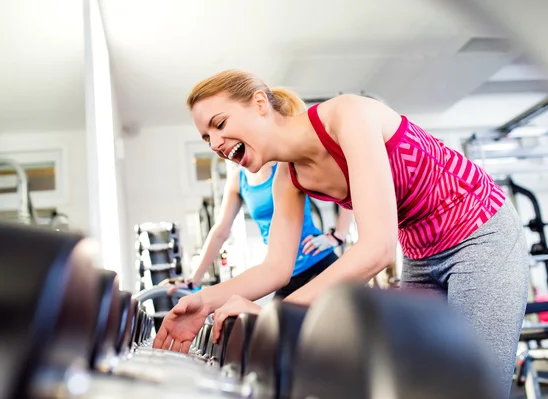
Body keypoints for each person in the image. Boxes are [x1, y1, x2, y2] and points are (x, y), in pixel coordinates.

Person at [153, 69, 528, 398]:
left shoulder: (346, 115)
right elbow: (276, 268)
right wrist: (206, 301)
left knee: (477, 389)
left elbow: (377, 249)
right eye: (205, 138)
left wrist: (274, 315)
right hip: (421, 251)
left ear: (259, 104)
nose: (215, 144)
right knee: (416, 382)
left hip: (481, 232)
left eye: (219, 124)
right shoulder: (289, 176)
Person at [164, 161, 354, 298]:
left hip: (318, 260)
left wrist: (338, 235)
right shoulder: (238, 179)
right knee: (272, 338)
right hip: (284, 274)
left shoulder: (284, 165)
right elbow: (221, 230)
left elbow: (346, 186)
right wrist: (193, 279)